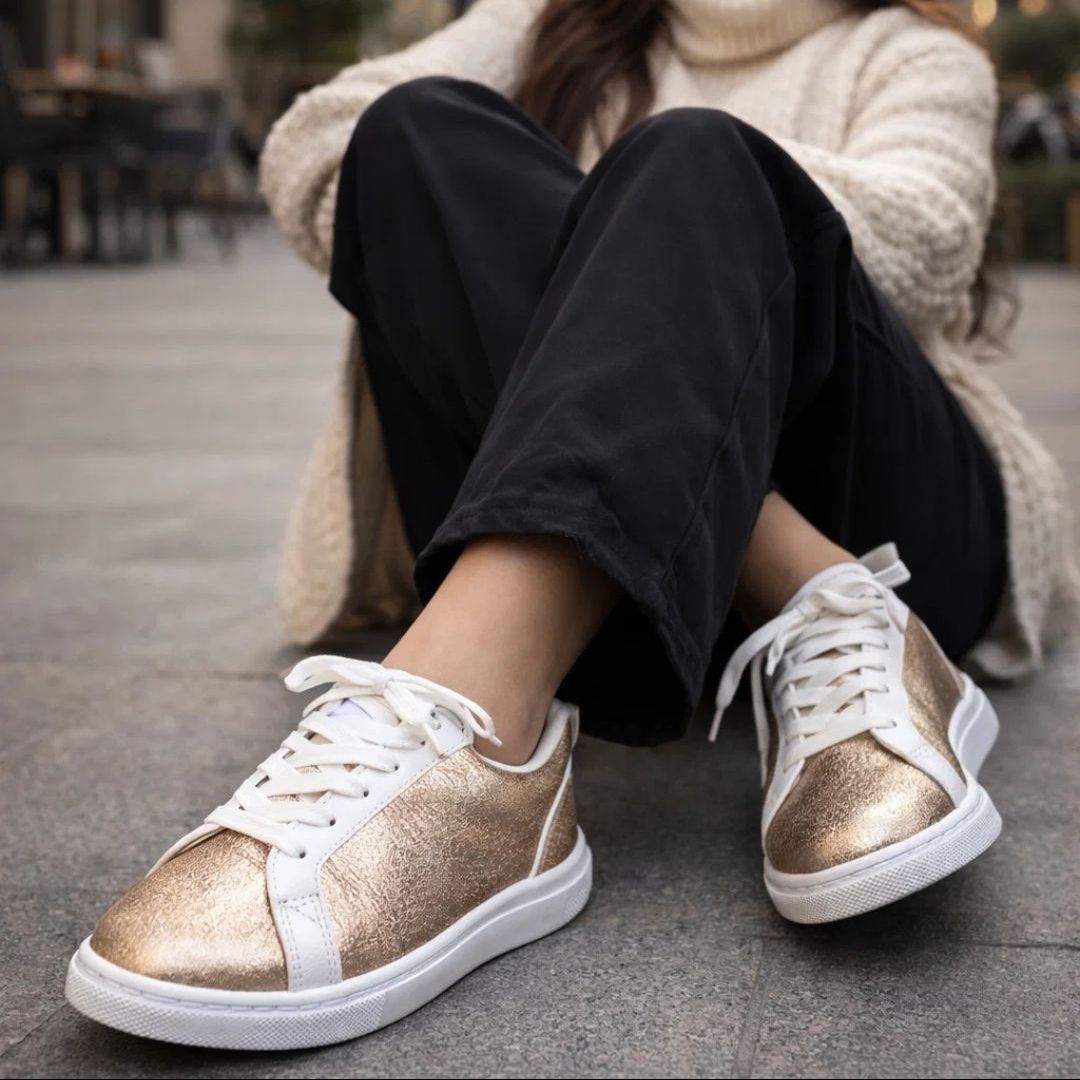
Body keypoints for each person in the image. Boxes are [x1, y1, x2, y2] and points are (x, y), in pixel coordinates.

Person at [65, 0, 1076, 1051]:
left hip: (896, 518)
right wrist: (630, 281)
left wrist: (653, 241)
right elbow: (317, 140)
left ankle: (487, 721)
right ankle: (800, 584)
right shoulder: (556, 21)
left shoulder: (907, 49)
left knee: (696, 160)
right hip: (646, 554)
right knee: (413, 131)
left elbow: (930, 234)